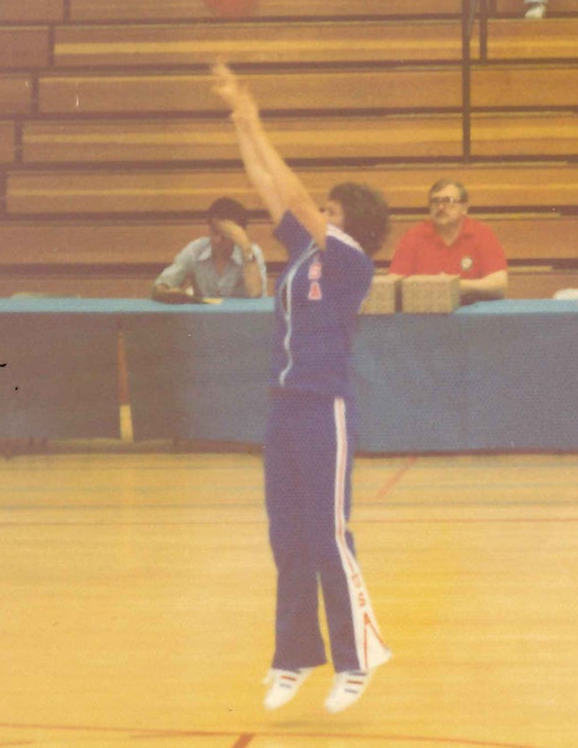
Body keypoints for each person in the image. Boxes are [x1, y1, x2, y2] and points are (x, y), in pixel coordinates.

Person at [210, 61, 391, 714]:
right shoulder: (307, 253)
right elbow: (267, 187)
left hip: (324, 411)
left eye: (331, 208)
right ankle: (292, 657)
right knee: (286, 538)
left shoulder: (349, 260)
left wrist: (255, 118)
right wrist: (240, 121)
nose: (318, 211)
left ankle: (356, 660)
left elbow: (295, 194)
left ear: (352, 223)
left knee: (328, 535)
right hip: (283, 410)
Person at [388, 179, 509, 302]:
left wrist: (455, 285)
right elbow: (394, 282)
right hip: (426, 312)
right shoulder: (413, 236)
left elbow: (499, 284)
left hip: (472, 312)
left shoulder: (482, 234)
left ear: (464, 208)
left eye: (448, 201)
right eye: (435, 201)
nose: (440, 207)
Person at [152, 197, 267, 300]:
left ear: (239, 235)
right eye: (214, 232)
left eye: (225, 236)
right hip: (204, 321)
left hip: (244, 321)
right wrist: (166, 293)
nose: (217, 240)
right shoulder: (195, 250)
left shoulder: (252, 252)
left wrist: (245, 246)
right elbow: (161, 285)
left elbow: (255, 294)